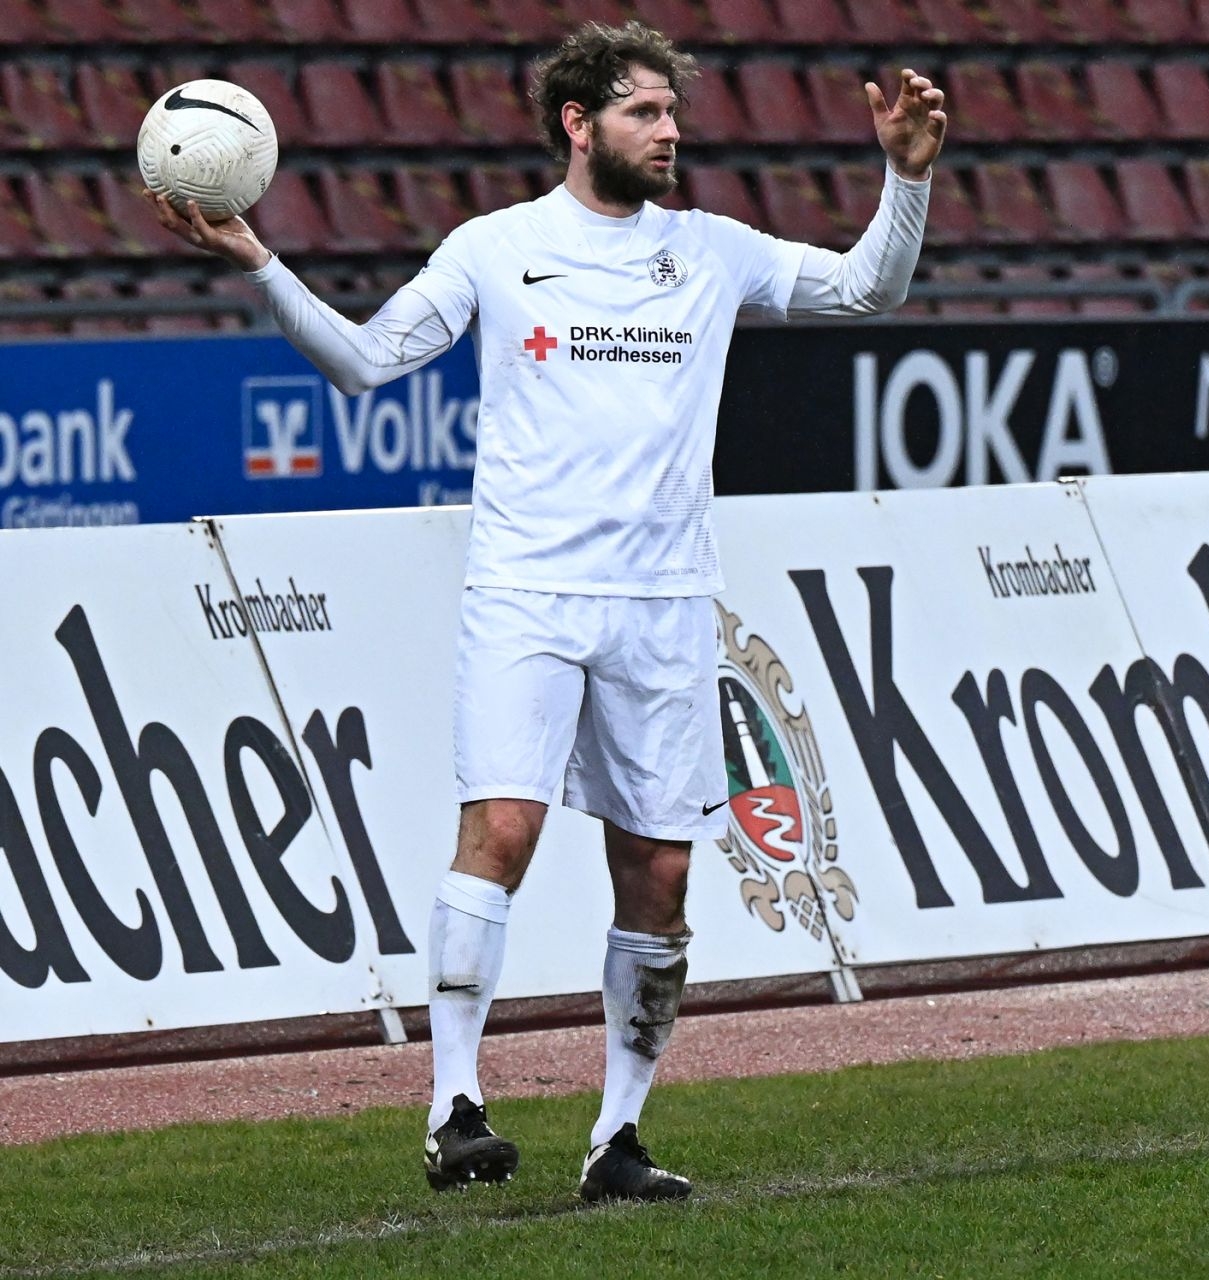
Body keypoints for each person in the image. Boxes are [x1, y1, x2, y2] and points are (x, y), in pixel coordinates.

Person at [144, 21, 945, 1203]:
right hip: (526, 590)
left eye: (672, 113)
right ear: (578, 125)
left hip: (667, 604)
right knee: (503, 833)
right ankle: (454, 1107)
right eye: (643, 112)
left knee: (660, 875)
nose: (668, 132)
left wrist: (907, 175)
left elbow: (868, 289)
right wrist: (262, 262)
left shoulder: (712, 251)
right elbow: (366, 364)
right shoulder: (496, 248)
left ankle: (617, 1139)